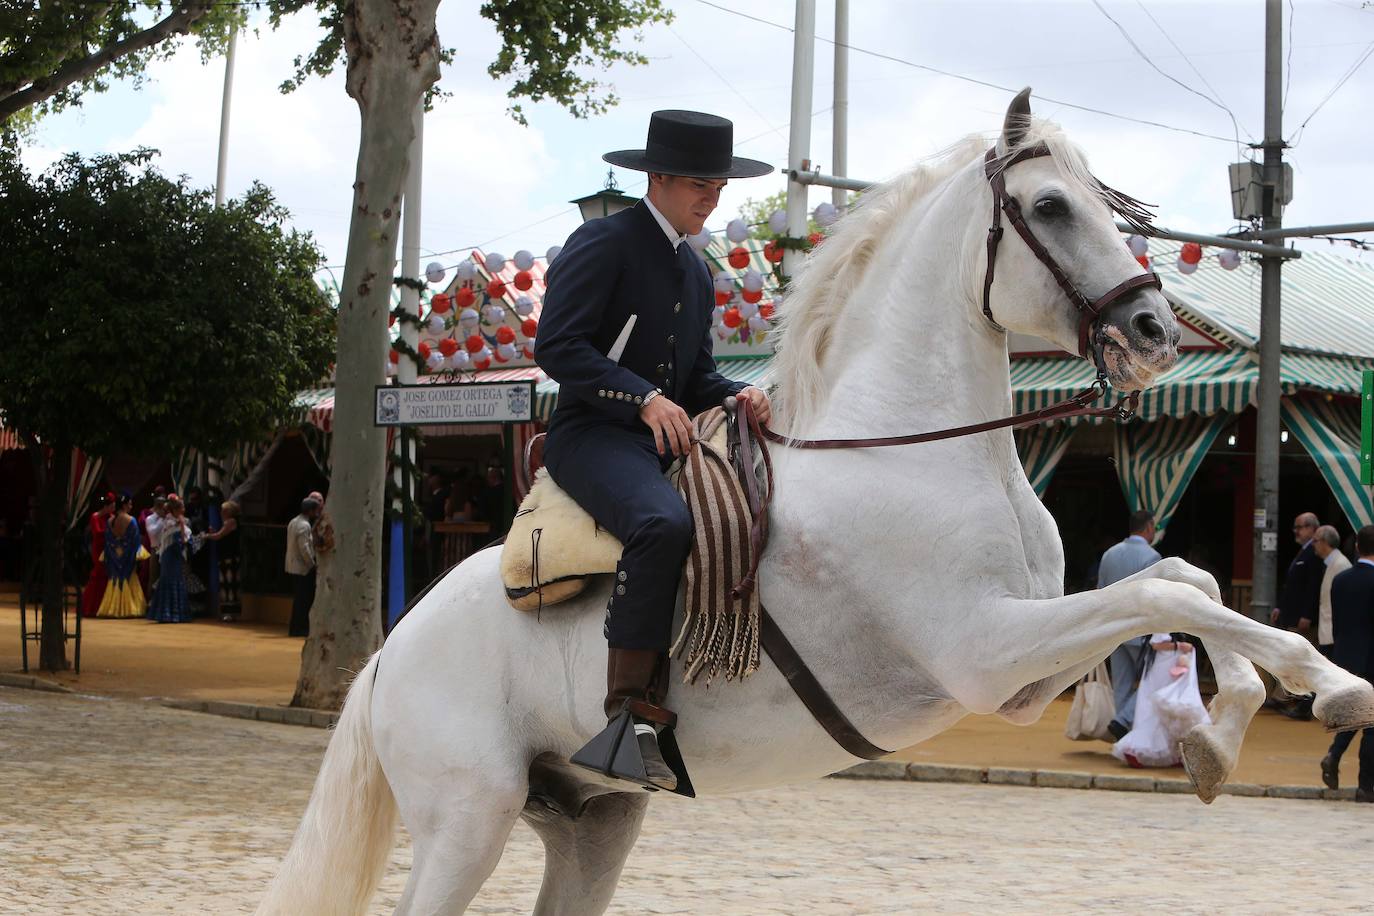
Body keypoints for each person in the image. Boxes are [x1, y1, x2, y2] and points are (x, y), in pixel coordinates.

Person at [535, 109, 772, 791]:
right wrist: (640, 396)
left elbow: (694, 379)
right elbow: (556, 346)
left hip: (666, 439)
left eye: (719, 187)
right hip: (591, 435)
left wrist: (738, 394)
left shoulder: (697, 272)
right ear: (658, 178)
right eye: (700, 185)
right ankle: (626, 720)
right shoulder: (603, 241)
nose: (712, 199)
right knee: (662, 522)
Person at [1097, 509, 1163, 739]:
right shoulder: (1152, 557)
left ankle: (1123, 731)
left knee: (1122, 684)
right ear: (1148, 527)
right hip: (1140, 629)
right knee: (1154, 679)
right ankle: (1122, 720)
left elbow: (1100, 593)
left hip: (1114, 628)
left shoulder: (1109, 554)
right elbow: (1155, 598)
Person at [1320, 525, 1374, 802]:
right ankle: (1366, 785)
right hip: (1372, 658)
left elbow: (1338, 622)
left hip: (1346, 656)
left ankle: (1334, 754)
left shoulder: (1340, 580)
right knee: (1372, 725)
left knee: (1354, 714)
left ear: (1357, 547)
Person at [1112, 633, 1212, 768]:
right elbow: (1156, 643)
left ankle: (1124, 726)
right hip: (1153, 650)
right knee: (1158, 700)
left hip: (1118, 636)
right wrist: (1179, 646)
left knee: (1129, 688)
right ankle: (1125, 724)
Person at [1270, 511, 1324, 718]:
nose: (1296, 531)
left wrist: (1307, 614)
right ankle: (1284, 697)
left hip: (1303, 617)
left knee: (1301, 659)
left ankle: (1297, 701)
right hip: (1292, 614)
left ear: (1312, 528)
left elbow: (1312, 588)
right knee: (1292, 657)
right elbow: (1291, 586)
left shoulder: (1314, 552)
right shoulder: (1304, 551)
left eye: (1300, 527)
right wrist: (1280, 607)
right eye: (1296, 527)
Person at [96, 495, 146, 618]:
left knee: (114, 579)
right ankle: (129, 608)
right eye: (130, 504)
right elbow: (135, 542)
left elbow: (108, 541)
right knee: (129, 578)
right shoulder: (131, 520)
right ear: (124, 505)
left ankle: (112, 608)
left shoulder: (110, 521)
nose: (131, 506)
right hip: (127, 555)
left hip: (114, 554)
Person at [147, 495, 193, 623]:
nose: (184, 509)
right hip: (171, 555)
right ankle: (167, 614)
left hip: (175, 555)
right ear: (176, 509)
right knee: (170, 580)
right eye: (182, 507)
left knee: (177, 579)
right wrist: (182, 525)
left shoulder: (177, 521)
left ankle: (176, 614)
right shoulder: (170, 523)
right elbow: (181, 541)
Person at [1314, 524, 1351, 660]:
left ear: (1324, 542)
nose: (1313, 545)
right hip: (1327, 632)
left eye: (1315, 541)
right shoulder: (1331, 563)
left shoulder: (1341, 565)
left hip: (1333, 634)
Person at [201, 499, 242, 622]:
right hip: (224, 556)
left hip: (230, 557)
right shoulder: (226, 523)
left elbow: (219, 535)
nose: (221, 513)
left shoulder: (231, 522)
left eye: (224, 510)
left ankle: (231, 612)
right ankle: (227, 611)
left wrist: (207, 536)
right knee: (225, 584)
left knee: (230, 584)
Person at [285, 497, 320, 638]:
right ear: (310, 511)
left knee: (298, 599)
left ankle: (295, 627)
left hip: (293, 566)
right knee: (303, 600)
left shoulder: (294, 521)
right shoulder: (304, 525)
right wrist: (312, 564)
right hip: (302, 568)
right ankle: (299, 628)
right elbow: (304, 548)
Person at [80, 493, 115, 617]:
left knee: (106, 576)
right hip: (98, 548)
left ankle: (103, 606)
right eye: (112, 506)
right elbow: (97, 533)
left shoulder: (111, 517)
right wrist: (110, 531)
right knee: (98, 574)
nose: (113, 509)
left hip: (108, 548)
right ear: (105, 506)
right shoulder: (95, 516)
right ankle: (90, 607)